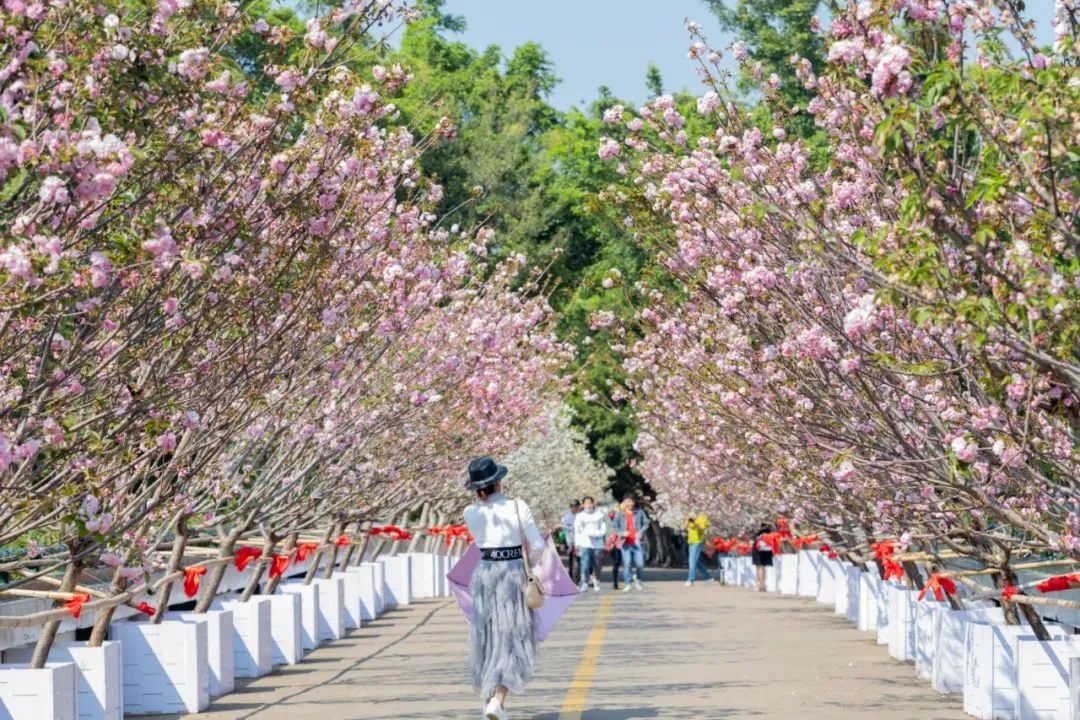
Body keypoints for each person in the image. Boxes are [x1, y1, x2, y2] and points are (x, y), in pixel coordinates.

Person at [462, 456, 544, 720]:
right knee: (512, 638)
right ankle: (497, 700)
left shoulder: (470, 512)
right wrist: (527, 566)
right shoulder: (517, 507)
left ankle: (489, 701)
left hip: (484, 574)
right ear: (498, 481)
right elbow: (538, 546)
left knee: (487, 636)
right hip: (512, 573)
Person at [613, 496, 649, 591]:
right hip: (625, 542)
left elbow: (646, 523)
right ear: (624, 502)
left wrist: (640, 532)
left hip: (637, 542)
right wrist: (622, 533)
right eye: (628, 501)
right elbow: (615, 527)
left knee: (640, 564)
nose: (631, 503)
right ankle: (628, 583)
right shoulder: (620, 514)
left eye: (632, 501)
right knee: (627, 563)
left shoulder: (639, 512)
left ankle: (638, 579)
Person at [573, 496, 608, 593]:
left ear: (593, 503)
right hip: (585, 543)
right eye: (586, 503)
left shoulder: (599, 515)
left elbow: (604, 529)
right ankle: (584, 582)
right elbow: (577, 531)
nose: (588, 505)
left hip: (597, 544)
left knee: (597, 564)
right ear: (583, 504)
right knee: (585, 563)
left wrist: (597, 535)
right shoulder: (579, 516)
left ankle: (596, 579)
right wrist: (577, 544)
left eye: (590, 503)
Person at [684, 511, 717, 587]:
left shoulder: (703, 517)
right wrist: (688, 519)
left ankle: (690, 579)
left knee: (692, 562)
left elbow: (701, 528)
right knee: (696, 562)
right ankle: (708, 577)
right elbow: (685, 526)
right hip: (691, 542)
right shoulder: (691, 516)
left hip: (697, 542)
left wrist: (695, 522)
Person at [560, 500, 581, 585]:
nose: (574, 508)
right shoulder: (566, 517)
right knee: (572, 561)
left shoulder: (581, 516)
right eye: (572, 506)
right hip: (570, 542)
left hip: (580, 542)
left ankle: (578, 579)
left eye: (575, 506)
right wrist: (562, 542)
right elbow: (563, 530)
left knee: (579, 561)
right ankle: (572, 580)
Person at [752, 522, 775, 592]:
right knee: (762, 567)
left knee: (759, 567)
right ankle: (761, 584)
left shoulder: (759, 532)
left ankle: (761, 585)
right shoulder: (769, 531)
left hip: (759, 549)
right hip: (767, 549)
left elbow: (754, 538)